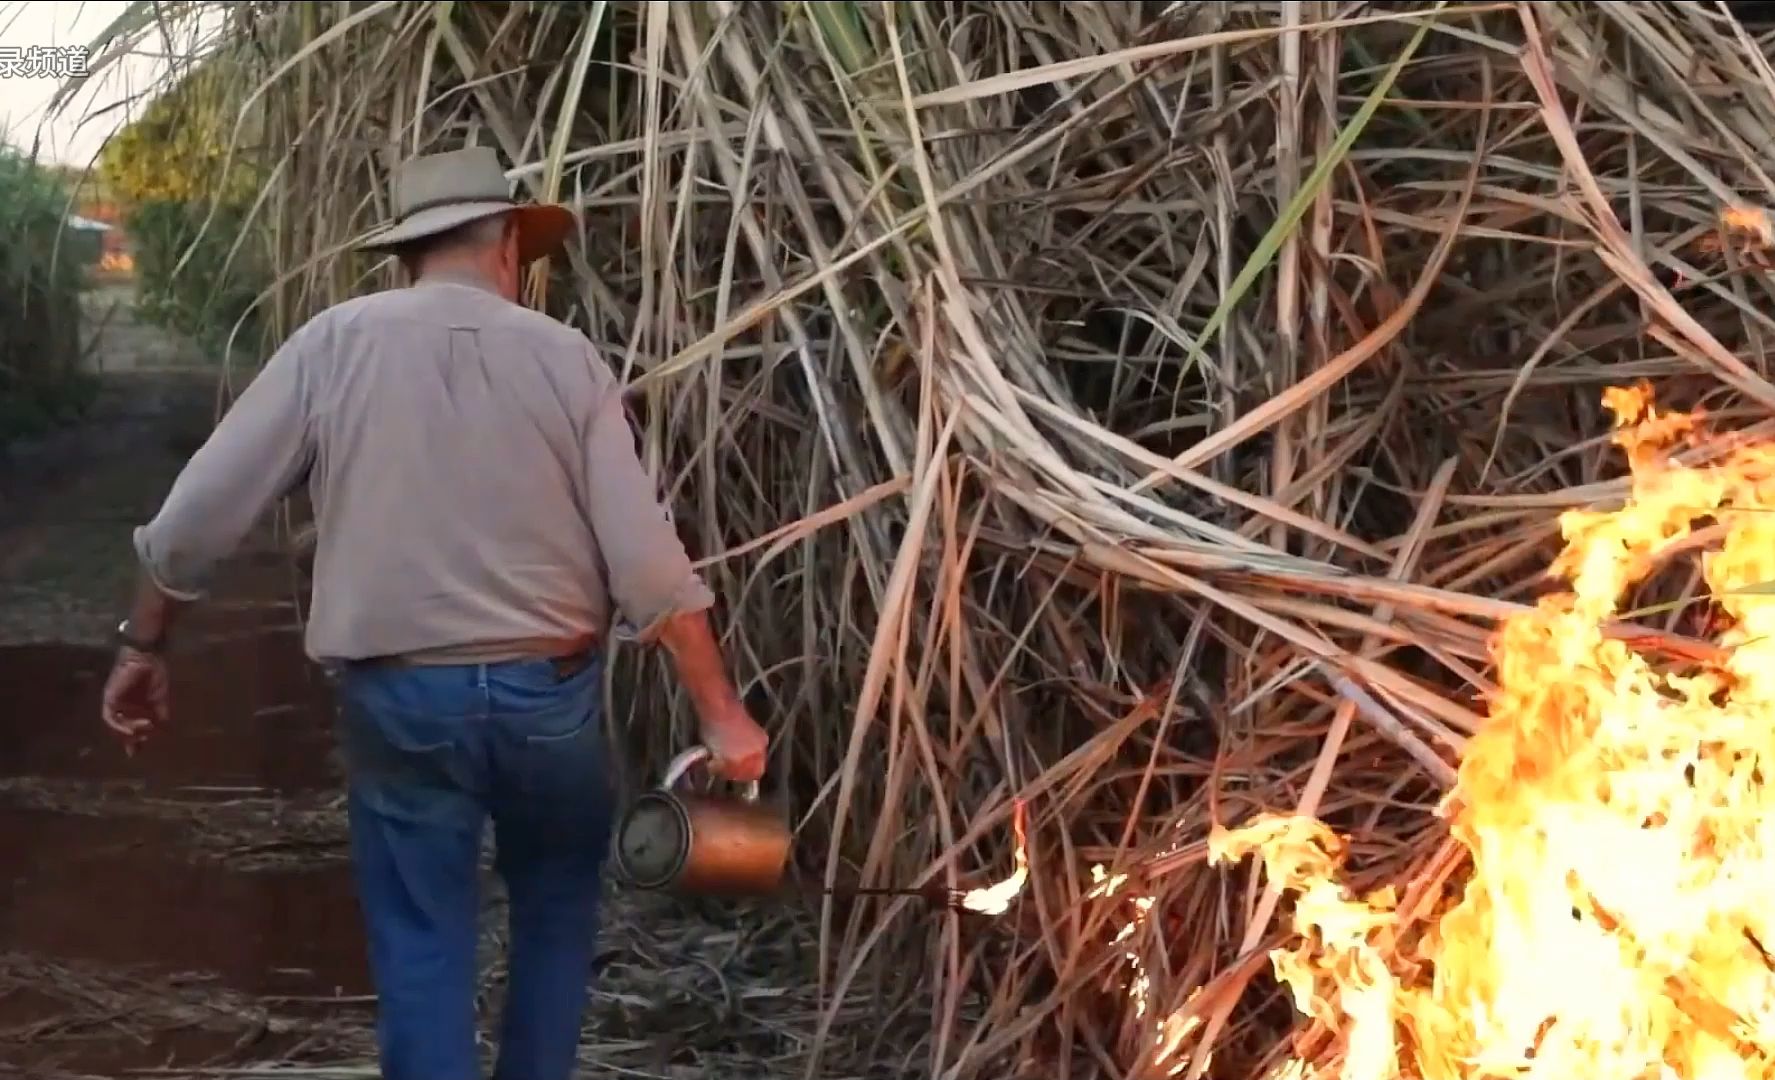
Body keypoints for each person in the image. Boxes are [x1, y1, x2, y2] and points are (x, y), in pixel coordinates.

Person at [97, 145, 770, 1080]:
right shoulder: (564, 357)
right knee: (553, 920)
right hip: (550, 702)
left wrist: (146, 642)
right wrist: (719, 711)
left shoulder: (333, 345)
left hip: (401, 703)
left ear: (407, 252)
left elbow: (190, 523)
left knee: (421, 943)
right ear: (507, 244)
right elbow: (648, 565)